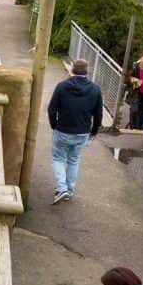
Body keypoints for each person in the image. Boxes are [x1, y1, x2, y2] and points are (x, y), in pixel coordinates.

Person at [47, 58, 103, 204]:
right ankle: (69, 191)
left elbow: (52, 109)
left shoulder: (62, 86)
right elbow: (98, 114)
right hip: (82, 131)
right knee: (73, 160)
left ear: (72, 70)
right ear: (87, 72)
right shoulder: (95, 89)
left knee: (58, 158)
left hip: (63, 129)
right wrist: (94, 131)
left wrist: (54, 125)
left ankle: (62, 188)